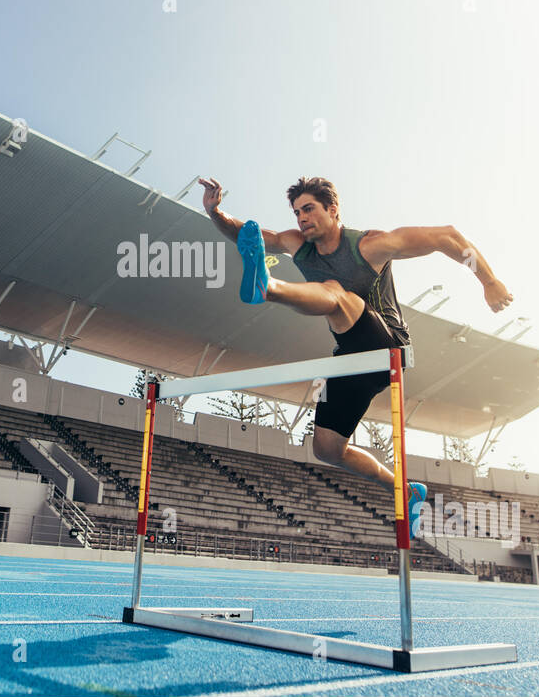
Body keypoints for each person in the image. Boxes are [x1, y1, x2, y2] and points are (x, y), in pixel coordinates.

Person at [200, 175, 514, 535]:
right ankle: (404, 489)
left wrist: (489, 281)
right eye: (297, 211)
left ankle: (267, 286)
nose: (302, 218)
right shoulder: (295, 243)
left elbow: (447, 236)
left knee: (335, 292)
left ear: (333, 210)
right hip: (349, 355)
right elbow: (248, 235)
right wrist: (216, 212)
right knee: (327, 449)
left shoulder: (370, 245)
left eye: (310, 209)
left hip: (388, 347)